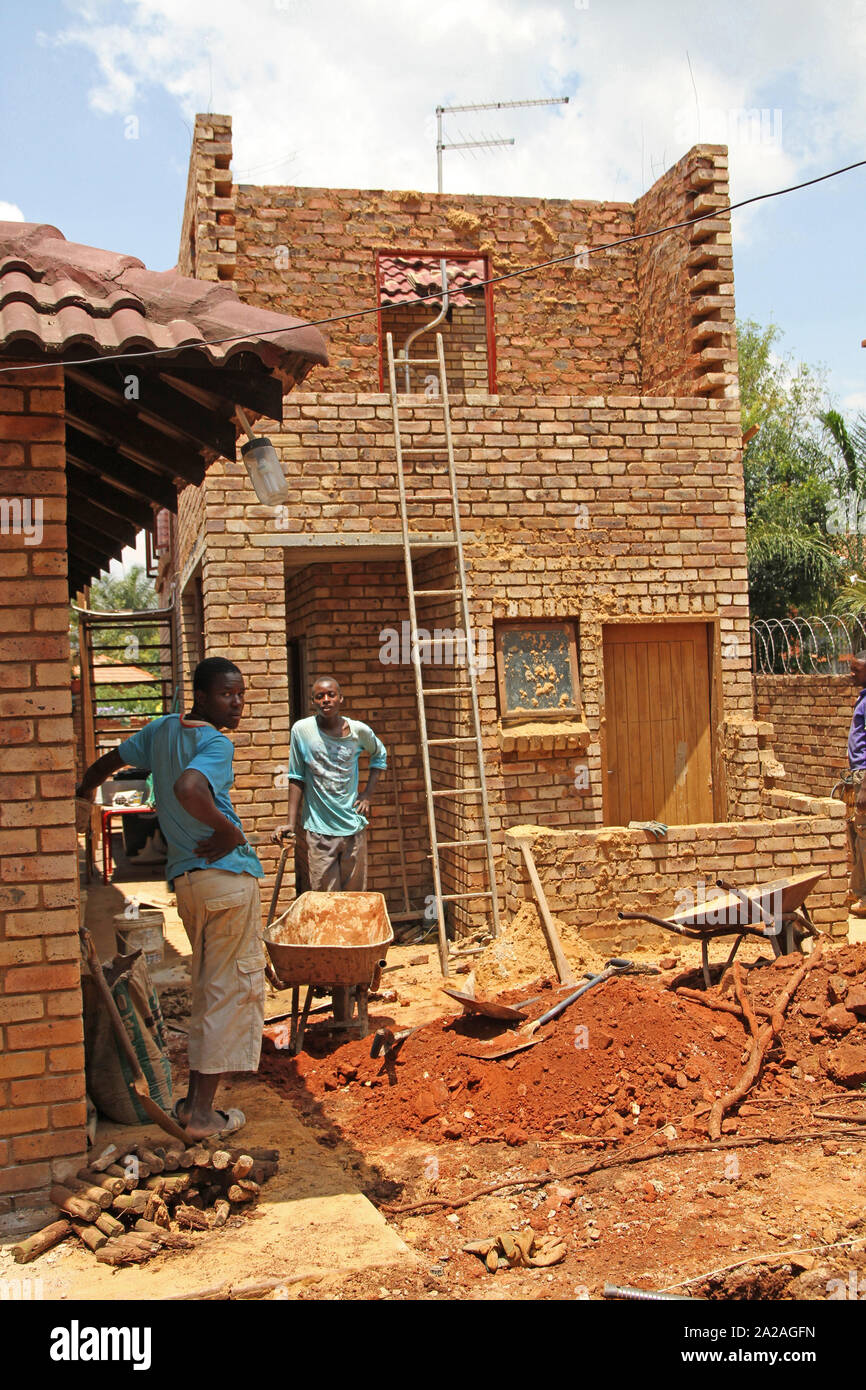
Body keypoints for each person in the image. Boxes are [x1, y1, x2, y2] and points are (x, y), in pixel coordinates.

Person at [76, 656, 264, 1140]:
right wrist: (230, 831)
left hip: (190, 885)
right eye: (227, 694)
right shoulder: (214, 742)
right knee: (229, 994)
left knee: (209, 989)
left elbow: (111, 762)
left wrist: (80, 794)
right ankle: (201, 1115)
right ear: (201, 697)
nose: (237, 703)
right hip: (225, 879)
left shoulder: (160, 730)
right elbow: (187, 786)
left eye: (241, 693)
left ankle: (194, 1105)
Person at [272, 676, 387, 891]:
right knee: (325, 901)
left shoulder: (358, 731)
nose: (326, 700)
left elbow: (379, 756)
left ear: (340, 698)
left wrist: (367, 794)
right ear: (313, 701)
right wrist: (290, 822)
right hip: (320, 832)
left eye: (331, 695)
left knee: (353, 903)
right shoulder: (302, 731)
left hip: (352, 828)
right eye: (319, 696)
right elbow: (297, 776)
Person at [842, 652, 866, 917]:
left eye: (857, 670)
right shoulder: (863, 699)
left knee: (864, 835)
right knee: (858, 834)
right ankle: (858, 890)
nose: (851, 674)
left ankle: (864, 896)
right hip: (859, 774)